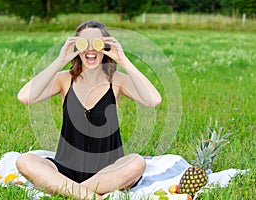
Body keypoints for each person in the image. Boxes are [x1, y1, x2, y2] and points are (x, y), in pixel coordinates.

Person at [16, 20, 162, 200]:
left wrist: (124, 60)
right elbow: (24, 96)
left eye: (97, 43)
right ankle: (91, 196)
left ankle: (72, 192)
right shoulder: (65, 79)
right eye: (84, 43)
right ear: (76, 47)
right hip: (66, 168)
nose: (91, 49)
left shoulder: (117, 81)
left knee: (136, 163)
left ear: (106, 47)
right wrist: (60, 60)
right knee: (24, 161)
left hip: (109, 171)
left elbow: (154, 100)